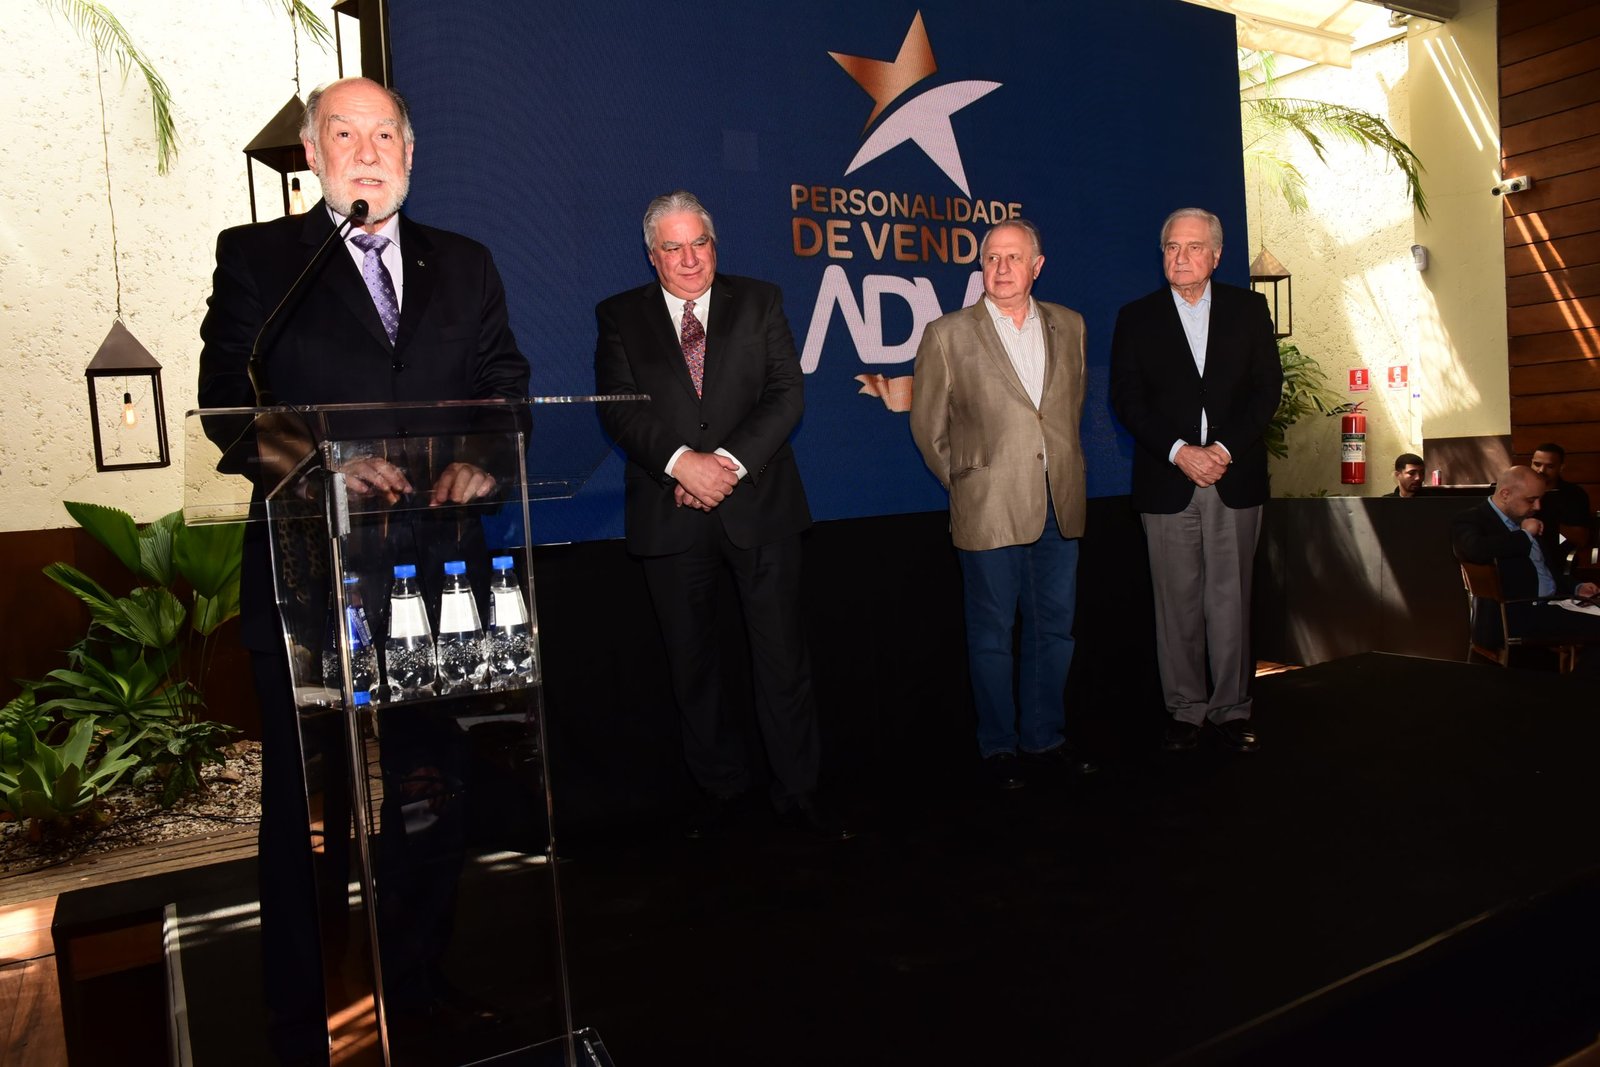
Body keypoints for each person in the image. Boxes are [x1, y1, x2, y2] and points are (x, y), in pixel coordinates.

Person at [197, 77, 529, 1064]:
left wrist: (480, 455)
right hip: (309, 575)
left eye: (386, 134)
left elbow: (506, 388)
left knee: (432, 789)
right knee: (307, 813)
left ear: (411, 154)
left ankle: (414, 982)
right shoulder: (260, 258)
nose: (368, 150)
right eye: (345, 133)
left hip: (434, 574)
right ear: (313, 155)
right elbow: (224, 405)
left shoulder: (464, 264)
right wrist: (323, 465)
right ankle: (302, 1015)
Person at [593, 190, 850, 841]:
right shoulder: (619, 315)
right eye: (673, 248)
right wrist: (683, 464)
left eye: (699, 243)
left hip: (761, 507)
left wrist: (724, 466)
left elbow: (786, 393)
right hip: (669, 510)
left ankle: (798, 790)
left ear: (714, 244)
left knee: (782, 657)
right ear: (652, 256)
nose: (689, 259)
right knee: (692, 663)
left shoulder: (760, 300)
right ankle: (720, 788)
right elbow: (618, 407)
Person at [909, 220, 1097, 790]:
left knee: (1054, 631)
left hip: (1059, 503)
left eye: (1014, 257)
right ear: (981, 267)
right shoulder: (947, 334)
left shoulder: (1071, 325)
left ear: (1037, 266)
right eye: (992, 258)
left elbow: (1067, 411)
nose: (1002, 268)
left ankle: (1045, 737)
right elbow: (928, 429)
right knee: (991, 634)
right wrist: (968, 483)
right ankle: (998, 747)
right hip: (988, 508)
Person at [1109, 208, 1283, 753]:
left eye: (1193, 247)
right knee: (1175, 603)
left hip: (1235, 476)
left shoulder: (1249, 310)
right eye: (1171, 247)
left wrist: (1223, 451)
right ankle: (1185, 710)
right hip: (1167, 480)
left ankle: (1232, 709)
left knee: (1232, 601)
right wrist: (1180, 453)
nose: (1180, 257)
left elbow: (1267, 390)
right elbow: (1127, 399)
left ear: (1216, 255)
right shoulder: (1137, 317)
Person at [1451, 466, 1600, 654]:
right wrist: (1524, 535)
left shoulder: (1529, 517)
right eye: (1531, 500)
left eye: (1539, 499)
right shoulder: (1471, 519)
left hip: (1552, 605)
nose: (1537, 507)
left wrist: (1576, 587)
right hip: (1514, 614)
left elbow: (1545, 572)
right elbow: (1475, 550)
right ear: (1505, 494)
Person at [1531, 442, 1593, 527]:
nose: (1541, 470)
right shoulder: (1520, 491)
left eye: (1550, 466)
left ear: (1561, 467)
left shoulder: (1575, 494)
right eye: (1537, 464)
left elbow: (1579, 532)